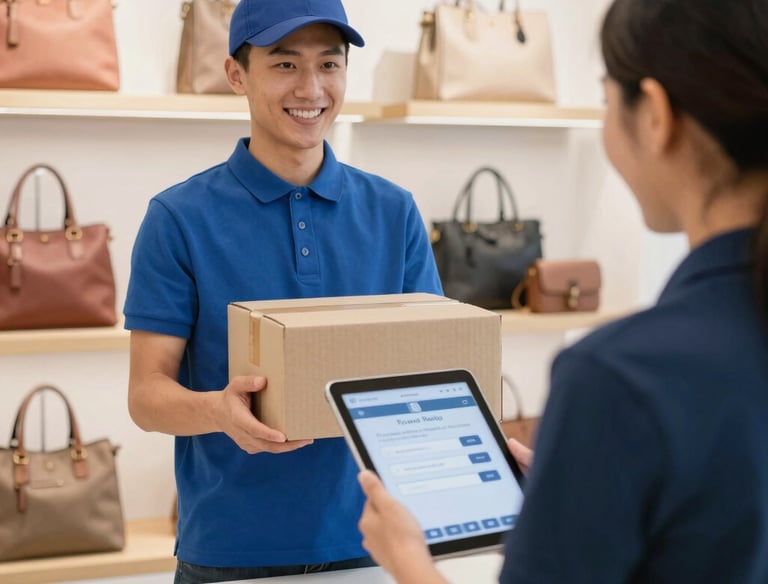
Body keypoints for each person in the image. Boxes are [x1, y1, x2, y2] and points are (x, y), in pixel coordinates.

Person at [357, 0, 768, 582]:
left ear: (655, 115)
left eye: (606, 99)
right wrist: (577, 495)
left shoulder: (619, 376)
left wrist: (406, 559)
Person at [123, 0, 442, 582]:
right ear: (236, 74)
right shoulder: (178, 217)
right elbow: (146, 396)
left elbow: (434, 373)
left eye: (329, 64)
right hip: (230, 554)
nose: (312, 89)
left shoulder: (394, 211)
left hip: (374, 543)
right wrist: (218, 411)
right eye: (286, 64)